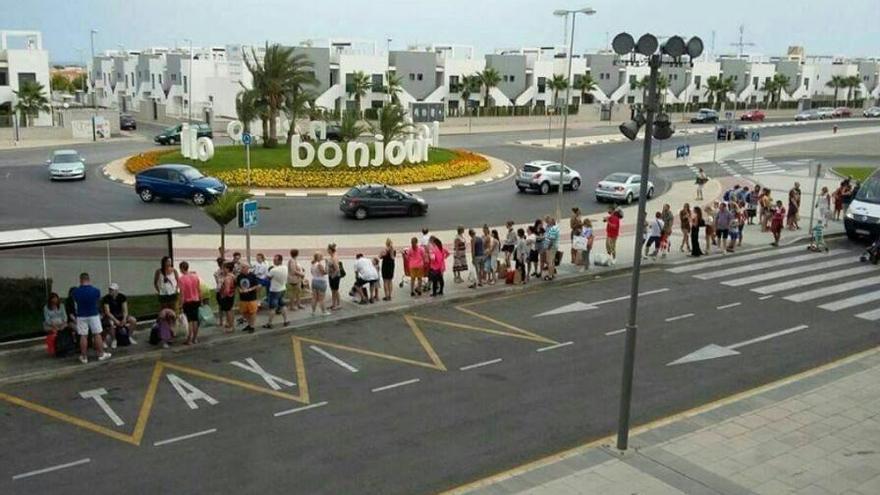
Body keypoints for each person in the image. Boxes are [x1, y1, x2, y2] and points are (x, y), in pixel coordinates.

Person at [72, 273, 110, 364]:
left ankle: (84, 356)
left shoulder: (76, 292)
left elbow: (76, 302)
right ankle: (101, 354)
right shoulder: (96, 291)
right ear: (89, 279)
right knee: (97, 334)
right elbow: (97, 301)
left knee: (83, 335)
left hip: (81, 315)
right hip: (93, 314)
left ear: (80, 280)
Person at [101, 282, 138, 348]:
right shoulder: (106, 298)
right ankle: (114, 339)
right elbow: (107, 312)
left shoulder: (122, 297)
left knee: (133, 320)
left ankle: (129, 336)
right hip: (111, 316)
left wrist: (124, 318)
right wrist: (115, 320)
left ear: (116, 291)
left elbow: (125, 310)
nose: (110, 291)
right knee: (111, 323)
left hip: (120, 315)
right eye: (110, 289)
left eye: (112, 290)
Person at [177, 262, 201, 345]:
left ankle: (189, 339)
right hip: (196, 300)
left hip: (188, 301)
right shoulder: (195, 276)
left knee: (189, 321)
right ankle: (195, 338)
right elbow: (198, 289)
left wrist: (180, 304)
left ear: (181, 268)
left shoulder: (181, 279)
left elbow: (182, 293)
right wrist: (200, 299)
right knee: (195, 320)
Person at [265, 254, 289, 328]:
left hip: (274, 290)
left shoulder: (273, 270)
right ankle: (285, 321)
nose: (273, 261)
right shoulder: (285, 267)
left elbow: (268, 277)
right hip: (283, 289)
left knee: (272, 308)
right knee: (283, 305)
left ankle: (269, 323)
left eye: (275, 260)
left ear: (279, 260)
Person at [236, 264, 260, 333]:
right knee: (244, 313)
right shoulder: (239, 276)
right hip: (243, 298)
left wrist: (249, 289)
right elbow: (237, 285)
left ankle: (252, 326)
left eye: (243, 268)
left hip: (251, 298)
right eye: (241, 268)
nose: (241, 269)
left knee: (252, 313)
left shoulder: (252, 276)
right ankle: (249, 325)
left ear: (247, 268)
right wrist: (239, 289)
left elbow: (257, 285)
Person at [218, 262, 236, 333]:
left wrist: (223, 295)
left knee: (228, 311)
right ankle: (230, 324)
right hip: (232, 295)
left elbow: (227, 290)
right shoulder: (233, 276)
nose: (223, 270)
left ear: (228, 269)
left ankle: (231, 326)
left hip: (227, 296)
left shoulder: (228, 278)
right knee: (230, 310)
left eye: (224, 268)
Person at [326, 244, 342, 311]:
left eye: (328, 249)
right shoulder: (332, 256)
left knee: (335, 290)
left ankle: (338, 304)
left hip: (335, 276)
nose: (327, 250)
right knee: (333, 290)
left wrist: (333, 276)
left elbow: (337, 269)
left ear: (330, 250)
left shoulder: (334, 257)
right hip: (331, 275)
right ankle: (334, 304)